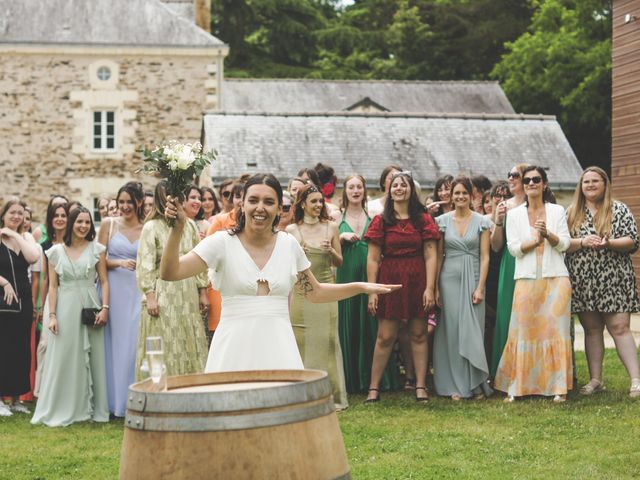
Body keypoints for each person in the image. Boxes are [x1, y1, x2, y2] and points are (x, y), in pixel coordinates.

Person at [159, 174, 400, 378]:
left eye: (269, 201)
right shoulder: (221, 242)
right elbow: (171, 272)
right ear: (242, 205)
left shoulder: (288, 245)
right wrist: (177, 230)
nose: (260, 207)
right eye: (253, 200)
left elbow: (315, 292)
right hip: (233, 345)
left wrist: (360, 286)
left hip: (279, 343)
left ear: (278, 209)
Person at [494, 166, 573, 403]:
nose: (530, 183)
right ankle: (517, 385)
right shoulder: (515, 214)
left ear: (544, 184)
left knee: (555, 332)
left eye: (536, 179)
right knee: (523, 331)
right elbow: (513, 248)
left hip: (556, 278)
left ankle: (558, 387)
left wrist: (548, 235)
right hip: (526, 279)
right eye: (526, 180)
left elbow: (565, 244)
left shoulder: (557, 211)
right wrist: (534, 241)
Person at [364, 172, 439, 403]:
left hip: (418, 280)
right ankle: (373, 388)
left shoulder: (423, 219)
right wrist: (373, 291)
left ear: (411, 190)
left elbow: (430, 254)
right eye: (395, 185)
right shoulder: (381, 220)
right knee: (385, 336)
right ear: (389, 190)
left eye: (403, 185)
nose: (399, 188)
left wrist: (429, 288)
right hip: (389, 281)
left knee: (418, 334)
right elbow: (373, 258)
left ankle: (420, 385)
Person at [565, 167, 640, 398]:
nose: (590, 185)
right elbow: (563, 244)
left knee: (620, 328)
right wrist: (582, 241)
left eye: (595, 181)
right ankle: (596, 380)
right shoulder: (571, 212)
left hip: (614, 279)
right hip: (583, 280)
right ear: (581, 185)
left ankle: (636, 380)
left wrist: (609, 243)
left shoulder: (618, 209)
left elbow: (633, 240)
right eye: (586, 181)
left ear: (604, 183)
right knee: (592, 329)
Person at [31, 207, 110, 426]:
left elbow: (103, 280)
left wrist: (105, 308)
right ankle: (62, 405)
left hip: (90, 305)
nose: (84, 226)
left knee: (93, 356)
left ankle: (92, 408)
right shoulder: (55, 252)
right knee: (64, 357)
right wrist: (53, 315)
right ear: (71, 224)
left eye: (87, 222)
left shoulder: (97, 249)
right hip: (64, 306)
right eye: (79, 222)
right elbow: (53, 287)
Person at [135, 181, 208, 379]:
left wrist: (203, 291)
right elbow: (145, 264)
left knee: (187, 339)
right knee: (162, 340)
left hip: (188, 291)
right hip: (162, 292)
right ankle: (159, 388)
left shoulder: (190, 225)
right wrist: (149, 296)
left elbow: (199, 257)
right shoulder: (151, 227)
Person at [287, 184, 348, 409]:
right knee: (302, 342)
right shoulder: (292, 231)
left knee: (328, 341)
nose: (318, 205)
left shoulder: (331, 228)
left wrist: (331, 251)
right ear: (302, 203)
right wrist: (298, 255)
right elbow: (287, 266)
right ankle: (304, 394)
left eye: (320, 201)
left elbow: (339, 262)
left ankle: (333, 395)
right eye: (313, 201)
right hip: (302, 294)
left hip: (327, 291)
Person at [337, 175, 399, 393]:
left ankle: (375, 379)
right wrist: (341, 238)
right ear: (344, 191)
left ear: (365, 190)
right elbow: (331, 251)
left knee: (371, 323)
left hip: (370, 271)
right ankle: (351, 379)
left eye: (359, 187)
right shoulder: (336, 217)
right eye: (351, 187)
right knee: (349, 321)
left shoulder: (374, 216)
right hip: (346, 273)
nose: (355, 191)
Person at [433, 177, 492, 400]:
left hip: (474, 276)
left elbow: (485, 256)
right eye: (456, 193)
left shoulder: (482, 222)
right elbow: (438, 255)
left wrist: (480, 287)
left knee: (473, 330)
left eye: (464, 193)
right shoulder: (442, 221)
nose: (460, 197)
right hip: (449, 278)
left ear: (471, 196)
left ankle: (475, 384)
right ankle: (453, 386)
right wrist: (436, 286)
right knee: (451, 331)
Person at [98, 182, 144, 417]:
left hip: (137, 291)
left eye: (129, 202)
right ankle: (113, 403)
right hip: (113, 290)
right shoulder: (109, 224)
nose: (125, 207)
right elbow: (97, 260)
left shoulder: (147, 227)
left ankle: (132, 401)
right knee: (114, 345)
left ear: (139, 202)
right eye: (121, 202)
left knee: (133, 345)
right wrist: (119, 263)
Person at [0, 198, 40, 416]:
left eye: (20, 214)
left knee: (20, 350)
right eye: (12, 212)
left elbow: (33, 257)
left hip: (23, 301)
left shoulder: (25, 238)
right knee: (2, 349)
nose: (16, 217)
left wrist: (14, 234)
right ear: (4, 214)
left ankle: (16, 398)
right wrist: (3, 281)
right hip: (2, 301)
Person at [490, 163, 529, 377]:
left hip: (532, 262)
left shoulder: (537, 204)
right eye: (509, 175)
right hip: (510, 262)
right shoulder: (504, 206)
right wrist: (497, 221)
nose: (510, 178)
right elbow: (496, 246)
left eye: (515, 175)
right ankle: (505, 372)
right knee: (507, 315)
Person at [34, 203, 69, 397]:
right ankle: (41, 391)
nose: (60, 219)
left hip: (71, 294)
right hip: (51, 297)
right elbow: (45, 278)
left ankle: (62, 390)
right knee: (45, 343)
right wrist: (41, 304)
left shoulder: (74, 242)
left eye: (64, 215)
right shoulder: (45, 246)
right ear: (50, 218)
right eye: (56, 215)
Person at [483, 182, 512, 368]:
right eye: (498, 196)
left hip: (506, 272)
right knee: (487, 324)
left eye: (506, 196)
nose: (501, 200)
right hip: (488, 275)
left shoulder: (515, 219)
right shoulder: (484, 220)